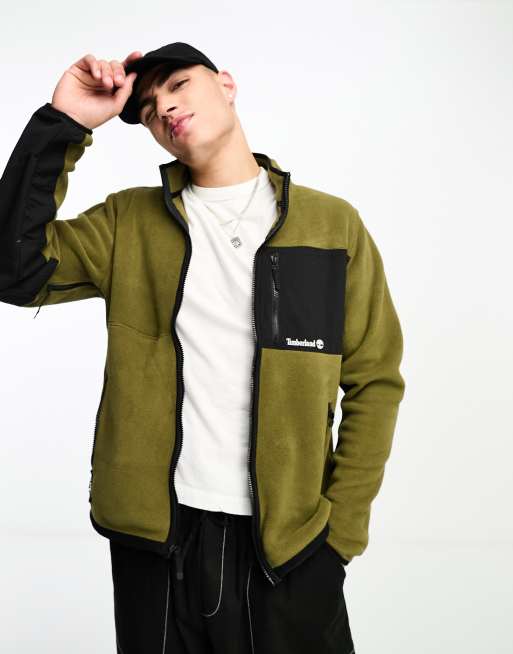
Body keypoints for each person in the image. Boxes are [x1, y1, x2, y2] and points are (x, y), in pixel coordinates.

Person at [0, 42, 406, 654]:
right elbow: (14, 269)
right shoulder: (129, 223)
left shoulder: (330, 226)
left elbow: (375, 381)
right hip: (157, 548)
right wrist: (63, 123)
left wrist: (339, 538)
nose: (164, 107)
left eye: (178, 85)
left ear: (226, 85)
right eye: (148, 108)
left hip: (290, 549)